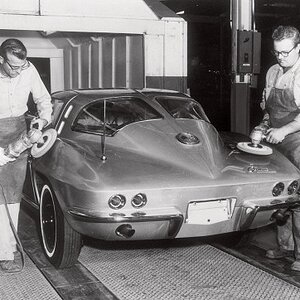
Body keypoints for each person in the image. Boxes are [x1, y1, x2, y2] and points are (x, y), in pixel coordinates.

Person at [0, 38, 52, 273]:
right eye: (13, 66)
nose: (18, 71)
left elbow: (44, 101)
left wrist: (41, 121)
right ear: (1, 60)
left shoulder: (28, 70)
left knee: (12, 197)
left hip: (19, 135)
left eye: (22, 66)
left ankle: (6, 253)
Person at [257, 25, 300, 271]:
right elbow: (269, 108)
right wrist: (263, 126)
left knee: (299, 200)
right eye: (277, 53)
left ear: (298, 47)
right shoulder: (273, 71)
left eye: (286, 52)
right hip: (276, 142)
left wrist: (284, 130)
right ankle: (285, 248)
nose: (281, 57)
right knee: (282, 195)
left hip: (297, 142)